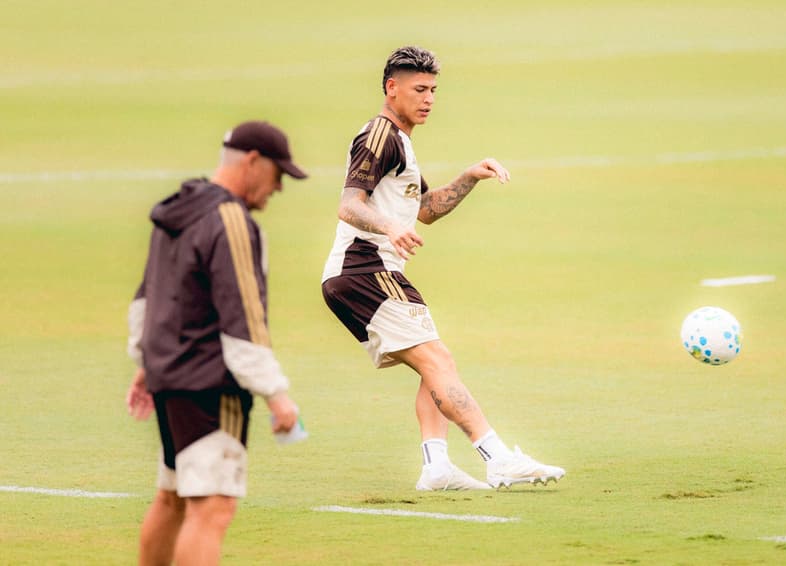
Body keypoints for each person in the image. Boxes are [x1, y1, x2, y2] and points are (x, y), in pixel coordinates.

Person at [321, 46, 565, 491]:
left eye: (433, 89)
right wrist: (390, 226)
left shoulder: (402, 142)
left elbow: (427, 210)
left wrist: (469, 176)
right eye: (419, 89)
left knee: (438, 363)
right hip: (364, 269)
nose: (429, 98)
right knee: (436, 360)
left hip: (372, 271)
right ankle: (496, 457)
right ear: (391, 88)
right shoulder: (379, 136)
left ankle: (436, 466)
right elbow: (348, 205)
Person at [125, 120, 308, 565]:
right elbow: (244, 318)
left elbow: (149, 295)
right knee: (212, 509)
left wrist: (147, 363)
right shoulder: (231, 220)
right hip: (210, 383)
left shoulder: (177, 208)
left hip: (170, 376)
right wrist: (277, 394)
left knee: (171, 500)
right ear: (252, 162)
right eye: (277, 174)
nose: (279, 188)